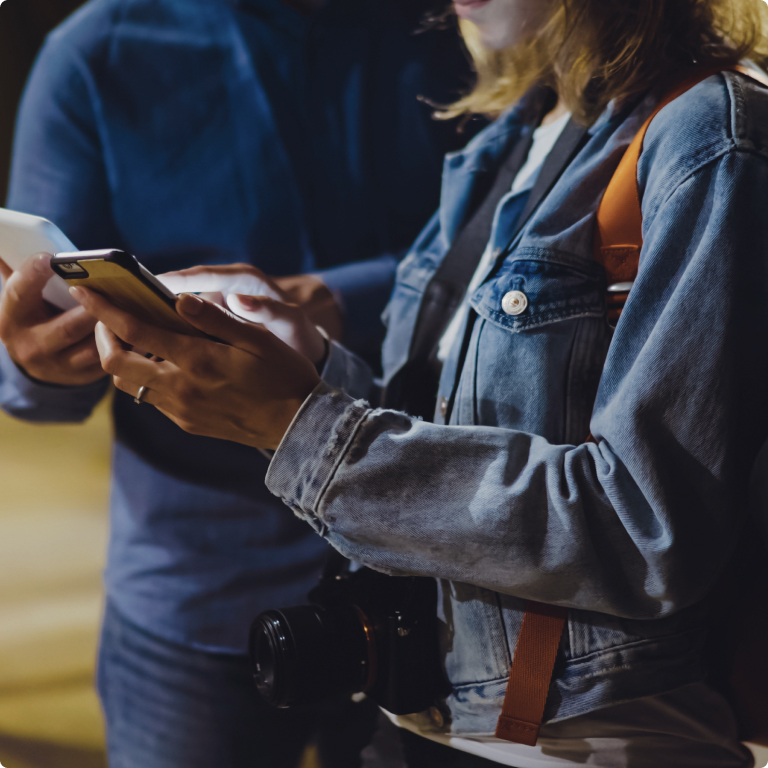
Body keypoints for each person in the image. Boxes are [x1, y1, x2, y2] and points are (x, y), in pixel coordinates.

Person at [66, 0, 768, 765]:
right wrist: (312, 367)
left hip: (585, 741)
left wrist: (296, 427)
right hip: (428, 718)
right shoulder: (524, 126)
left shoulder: (710, 137)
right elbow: (458, 430)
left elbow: (646, 531)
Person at [0, 0, 479, 766]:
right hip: (202, 582)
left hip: (442, 571)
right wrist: (35, 363)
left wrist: (327, 299)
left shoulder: (462, 23)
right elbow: (36, 360)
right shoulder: (96, 52)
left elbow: (517, 247)